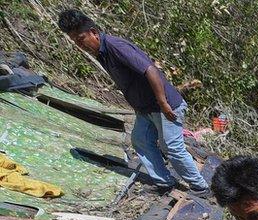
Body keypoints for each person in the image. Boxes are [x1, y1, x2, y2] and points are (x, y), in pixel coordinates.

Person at [57, 9, 209, 194]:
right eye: (75, 41)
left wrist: (162, 103)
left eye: (81, 38)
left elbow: (150, 70)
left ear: (94, 32)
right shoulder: (102, 52)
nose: (80, 44)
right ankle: (164, 182)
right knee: (141, 141)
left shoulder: (116, 46)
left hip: (165, 106)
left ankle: (200, 187)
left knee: (172, 147)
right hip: (146, 109)